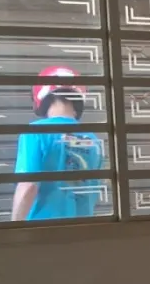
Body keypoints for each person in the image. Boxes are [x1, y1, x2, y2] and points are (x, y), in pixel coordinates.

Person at [11, 66, 104, 222]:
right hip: (83, 230)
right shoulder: (94, 140)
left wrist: (14, 227)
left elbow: (28, 186)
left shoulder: (35, 132)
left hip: (43, 230)